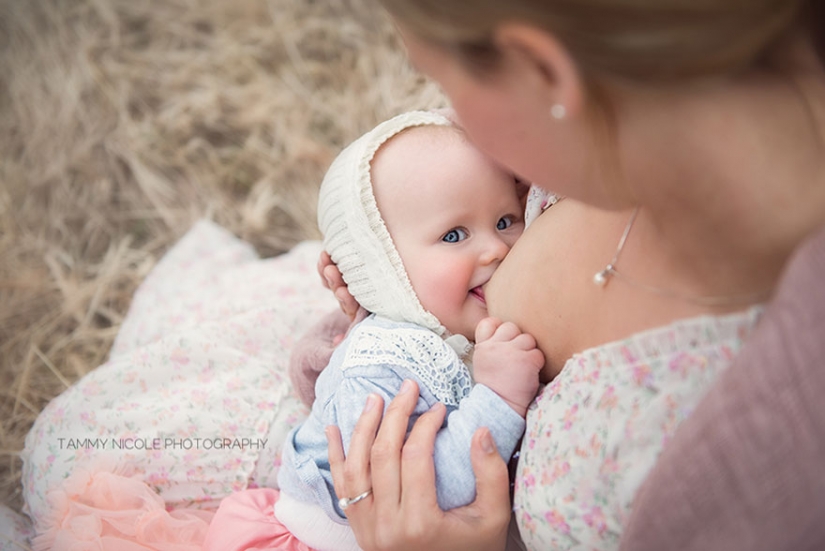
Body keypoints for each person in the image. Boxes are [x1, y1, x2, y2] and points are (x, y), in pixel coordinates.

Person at [321, 1, 825, 550]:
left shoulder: (764, 440)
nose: (454, 120)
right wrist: (395, 293)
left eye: (441, 79)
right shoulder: (628, 123)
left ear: (544, 72)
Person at [202, 110, 544, 550]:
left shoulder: (448, 330)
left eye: (505, 221)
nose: (496, 248)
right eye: (455, 235)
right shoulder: (380, 368)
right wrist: (499, 399)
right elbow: (419, 495)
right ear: (385, 270)